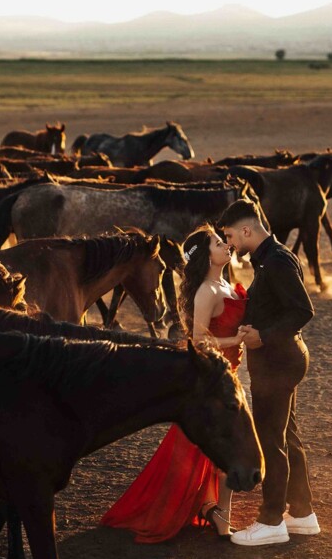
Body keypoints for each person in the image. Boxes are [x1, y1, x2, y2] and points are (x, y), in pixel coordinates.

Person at [100, 226, 247, 541]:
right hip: (215, 377)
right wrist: (236, 338)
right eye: (219, 243)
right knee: (225, 442)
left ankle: (214, 508)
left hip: (230, 371)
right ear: (205, 256)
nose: (226, 246)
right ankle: (218, 513)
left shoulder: (226, 284)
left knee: (214, 446)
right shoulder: (207, 291)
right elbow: (199, 340)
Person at [217, 198, 319, 546]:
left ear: (247, 230)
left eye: (230, 235)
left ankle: (272, 520)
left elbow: (303, 310)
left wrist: (263, 335)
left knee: (270, 441)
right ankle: (303, 514)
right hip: (282, 359)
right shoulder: (271, 260)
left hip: (279, 361)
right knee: (287, 436)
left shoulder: (275, 262)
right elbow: (278, 308)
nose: (229, 243)